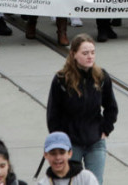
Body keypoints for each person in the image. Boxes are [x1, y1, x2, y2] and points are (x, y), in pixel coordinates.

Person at [46, 34, 117, 184]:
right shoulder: (61, 80)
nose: (90, 56)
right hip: (71, 142)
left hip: (95, 140)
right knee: (69, 181)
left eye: (92, 52)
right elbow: (53, 114)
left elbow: (111, 107)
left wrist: (106, 129)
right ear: (73, 54)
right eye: (85, 53)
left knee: (95, 181)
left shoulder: (101, 77)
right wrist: (60, 141)